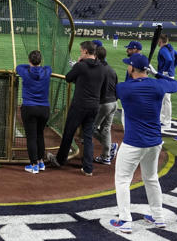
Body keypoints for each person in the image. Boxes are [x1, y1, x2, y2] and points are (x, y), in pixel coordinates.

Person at [110, 53, 177, 233]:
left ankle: (125, 220)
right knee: (151, 178)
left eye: (129, 66)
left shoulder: (124, 88)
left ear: (132, 69)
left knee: (122, 180)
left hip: (134, 143)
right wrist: (157, 74)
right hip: (155, 142)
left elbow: (118, 87)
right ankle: (158, 217)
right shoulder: (158, 85)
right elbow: (175, 85)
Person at [56, 41, 107, 176]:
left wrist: (78, 64)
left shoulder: (81, 66)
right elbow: (103, 87)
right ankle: (88, 168)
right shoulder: (102, 68)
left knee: (68, 132)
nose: (80, 53)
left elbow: (68, 78)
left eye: (80, 51)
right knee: (88, 136)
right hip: (94, 106)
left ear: (85, 51)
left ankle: (60, 160)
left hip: (79, 105)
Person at [16, 50, 51, 174]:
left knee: (31, 137)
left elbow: (18, 67)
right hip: (44, 109)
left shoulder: (25, 71)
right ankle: (40, 162)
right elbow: (47, 67)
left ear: (29, 60)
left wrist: (30, 65)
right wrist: (36, 65)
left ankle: (34, 164)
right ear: (40, 61)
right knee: (39, 135)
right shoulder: (47, 71)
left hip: (29, 108)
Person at [93, 45, 119, 165]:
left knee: (90, 128)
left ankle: (109, 146)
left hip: (104, 104)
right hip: (114, 103)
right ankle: (106, 156)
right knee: (106, 129)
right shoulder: (111, 70)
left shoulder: (98, 70)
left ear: (96, 56)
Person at [156, 34, 177, 132]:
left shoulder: (163, 49)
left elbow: (169, 59)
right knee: (164, 99)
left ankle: (166, 121)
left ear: (161, 40)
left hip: (165, 76)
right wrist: (172, 68)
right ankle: (163, 119)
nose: (158, 42)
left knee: (166, 99)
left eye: (158, 40)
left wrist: (165, 70)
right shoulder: (170, 48)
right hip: (170, 75)